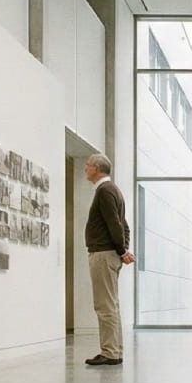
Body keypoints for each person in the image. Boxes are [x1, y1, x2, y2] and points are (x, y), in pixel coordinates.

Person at [83, 153, 134, 366]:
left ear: (96, 168)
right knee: (111, 305)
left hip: (104, 255)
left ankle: (110, 352)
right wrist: (123, 250)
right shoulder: (112, 191)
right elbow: (124, 225)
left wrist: (121, 251)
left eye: (87, 165)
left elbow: (115, 225)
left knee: (104, 306)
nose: (85, 169)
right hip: (110, 254)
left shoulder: (104, 191)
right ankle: (114, 351)